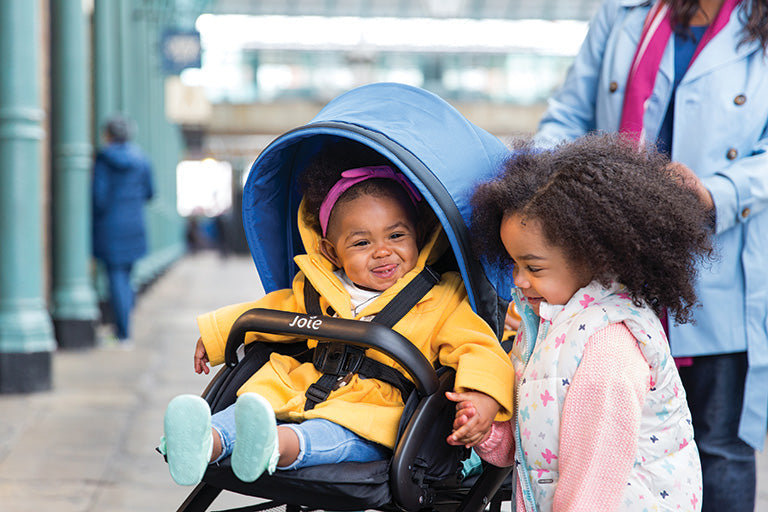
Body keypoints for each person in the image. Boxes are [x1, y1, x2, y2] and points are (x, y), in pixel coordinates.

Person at [160, 142, 515, 486]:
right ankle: (206, 441)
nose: (382, 252)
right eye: (362, 243)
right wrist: (218, 334)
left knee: (330, 434)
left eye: (396, 235)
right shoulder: (319, 287)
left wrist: (481, 397)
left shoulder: (442, 296)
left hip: (372, 409)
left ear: (418, 235)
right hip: (302, 386)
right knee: (250, 407)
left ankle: (274, 447)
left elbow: (479, 347)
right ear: (331, 252)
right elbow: (274, 309)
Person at [531, 1, 768, 509]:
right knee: (606, 442)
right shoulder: (623, 14)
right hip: (611, 263)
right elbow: (569, 115)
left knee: (719, 447)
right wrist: (546, 187)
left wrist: (714, 193)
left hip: (718, 271)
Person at [453, 134, 713, 511]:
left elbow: (592, 489)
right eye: (513, 263)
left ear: (593, 256)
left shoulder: (608, 350)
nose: (518, 281)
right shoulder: (546, 324)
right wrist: (486, 428)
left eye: (533, 267)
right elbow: (527, 443)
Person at [91, 115, 154, 346]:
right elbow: (150, 192)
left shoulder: (104, 159)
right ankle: (123, 329)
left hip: (110, 226)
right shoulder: (142, 160)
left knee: (116, 278)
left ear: (108, 135)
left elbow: (98, 198)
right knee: (126, 277)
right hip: (135, 225)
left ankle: (123, 334)